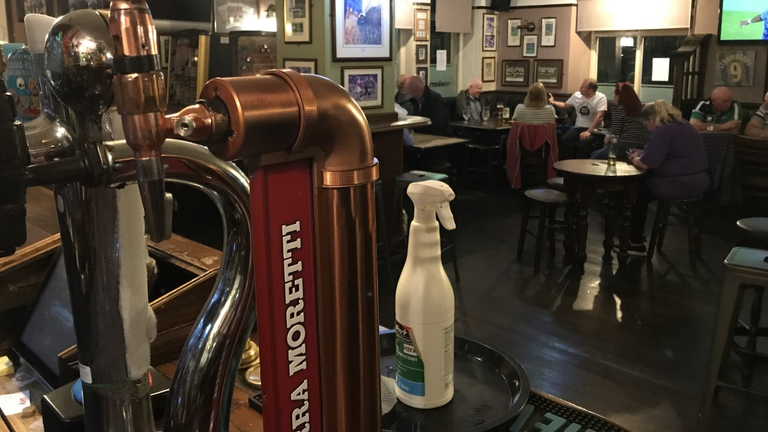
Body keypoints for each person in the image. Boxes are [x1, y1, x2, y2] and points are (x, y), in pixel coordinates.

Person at [624, 100, 709, 256]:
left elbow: (646, 164)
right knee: (639, 188)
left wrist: (633, 158)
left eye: (646, 124)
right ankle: (636, 238)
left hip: (679, 184)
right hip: (698, 181)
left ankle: (636, 242)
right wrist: (644, 154)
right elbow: (670, 154)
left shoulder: (663, 130)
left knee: (635, 192)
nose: (647, 128)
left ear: (651, 119)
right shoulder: (683, 125)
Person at [548, 78, 608, 159]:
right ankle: (567, 165)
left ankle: (581, 168)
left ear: (590, 90)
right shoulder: (576, 95)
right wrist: (554, 102)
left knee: (584, 142)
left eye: (583, 87)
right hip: (579, 127)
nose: (580, 88)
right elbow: (565, 105)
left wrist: (589, 131)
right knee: (566, 139)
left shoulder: (601, 98)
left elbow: (600, 116)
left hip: (595, 129)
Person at [591, 82, 649, 160]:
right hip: (642, 146)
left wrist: (608, 139)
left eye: (614, 94)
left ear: (619, 96)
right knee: (595, 152)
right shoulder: (640, 109)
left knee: (594, 158)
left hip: (624, 145)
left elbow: (616, 134)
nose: (614, 97)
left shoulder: (619, 109)